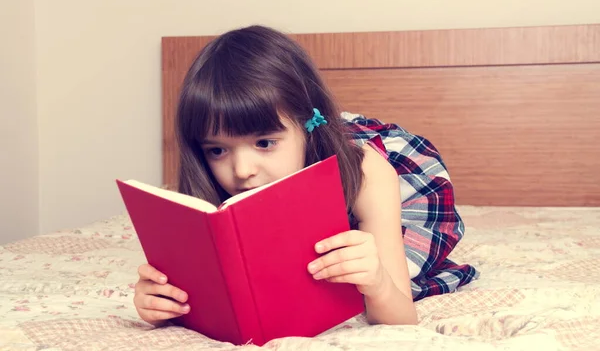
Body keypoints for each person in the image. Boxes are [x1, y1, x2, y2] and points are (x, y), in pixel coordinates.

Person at [133, 25, 478, 328]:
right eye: (217, 150)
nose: (242, 170)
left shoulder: (367, 172)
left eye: (265, 143)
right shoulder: (214, 187)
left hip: (406, 185)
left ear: (306, 131)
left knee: (368, 269)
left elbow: (402, 315)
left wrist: (379, 283)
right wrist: (161, 301)